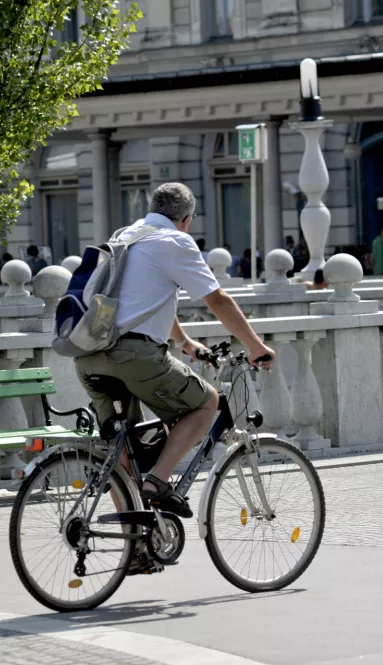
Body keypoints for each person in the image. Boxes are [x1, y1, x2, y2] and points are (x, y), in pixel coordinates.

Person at [75, 182, 275, 522]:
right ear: (186, 219)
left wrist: (185, 343)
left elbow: (146, 302)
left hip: (88, 356)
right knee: (206, 403)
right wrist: (257, 347)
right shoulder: (175, 241)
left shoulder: (127, 235)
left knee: (120, 448)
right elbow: (217, 300)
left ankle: (133, 547)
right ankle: (157, 482)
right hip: (134, 357)